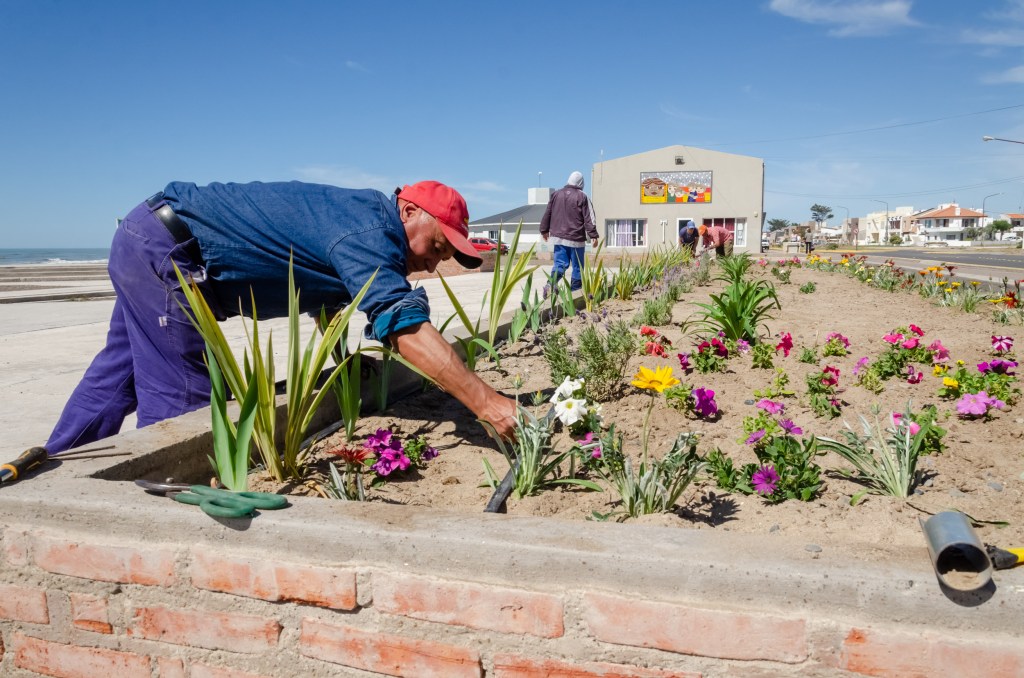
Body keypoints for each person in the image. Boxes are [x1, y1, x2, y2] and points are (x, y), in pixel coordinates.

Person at [38, 180, 519, 457]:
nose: (434, 263)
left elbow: (322, 297)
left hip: (148, 238)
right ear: (409, 210)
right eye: (435, 246)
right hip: (171, 252)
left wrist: (341, 362)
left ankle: (51, 469)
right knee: (185, 406)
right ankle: (171, 521)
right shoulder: (374, 230)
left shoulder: (358, 221)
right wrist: (488, 403)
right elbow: (401, 323)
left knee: (116, 378)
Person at [540, 171, 599, 295]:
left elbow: (548, 212)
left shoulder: (556, 194)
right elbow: (590, 217)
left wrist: (544, 230)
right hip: (576, 238)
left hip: (558, 237)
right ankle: (574, 293)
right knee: (577, 267)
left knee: (559, 264)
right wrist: (593, 235)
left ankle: (550, 284)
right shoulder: (582, 196)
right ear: (581, 183)